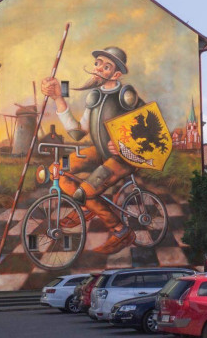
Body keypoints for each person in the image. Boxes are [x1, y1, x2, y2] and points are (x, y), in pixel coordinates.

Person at [41, 46, 143, 254]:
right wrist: (58, 98)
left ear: (116, 74)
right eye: (98, 64)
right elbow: (78, 133)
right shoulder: (94, 97)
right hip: (100, 151)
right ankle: (87, 207)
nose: (97, 69)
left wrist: (126, 143)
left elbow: (147, 124)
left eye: (106, 67)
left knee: (84, 192)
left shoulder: (127, 95)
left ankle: (121, 230)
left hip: (125, 157)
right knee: (56, 171)